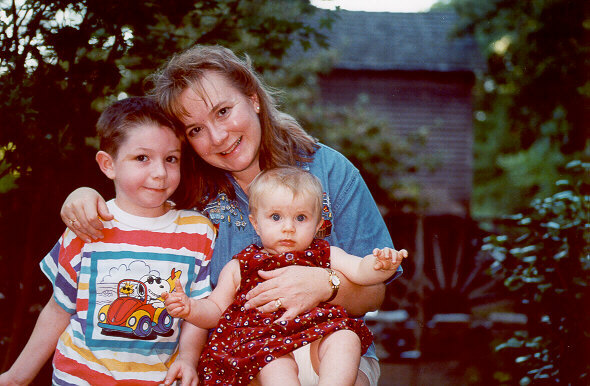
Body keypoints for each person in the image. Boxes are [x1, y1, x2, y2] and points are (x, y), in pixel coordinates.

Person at [60, 44, 402, 385]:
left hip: (329, 348)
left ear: (252, 98)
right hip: (238, 357)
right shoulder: (190, 189)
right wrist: (84, 195)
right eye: (195, 130)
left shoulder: (329, 171)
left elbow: (374, 293)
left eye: (223, 111)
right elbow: (134, 199)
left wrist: (326, 284)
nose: (218, 137)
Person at [0, 97, 216, 386]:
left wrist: (187, 360)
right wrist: (16, 377)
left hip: (158, 380)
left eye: (171, 159)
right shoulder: (89, 224)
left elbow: (196, 311)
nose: (160, 172)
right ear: (108, 165)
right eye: (142, 158)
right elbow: (58, 308)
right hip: (78, 379)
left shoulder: (197, 232)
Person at [163, 166, 408, 385]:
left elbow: (359, 271)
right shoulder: (241, 266)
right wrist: (191, 308)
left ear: (318, 224)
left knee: (346, 339)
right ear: (256, 223)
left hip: (319, 342)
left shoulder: (326, 253)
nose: (288, 227)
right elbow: (216, 309)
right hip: (268, 348)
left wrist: (380, 264)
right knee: (273, 365)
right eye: (276, 217)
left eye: (301, 218)